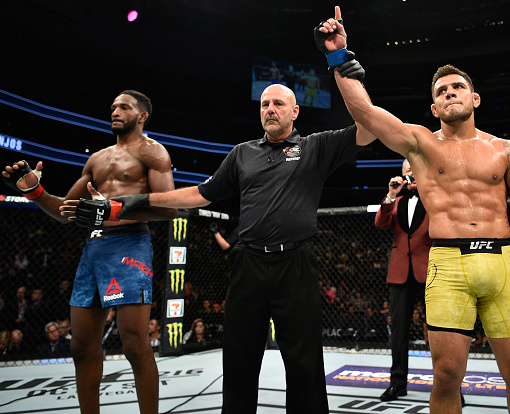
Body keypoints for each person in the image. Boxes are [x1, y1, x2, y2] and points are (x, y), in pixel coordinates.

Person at [315, 7, 510, 413]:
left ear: (474, 97)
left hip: (503, 265)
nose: (449, 93)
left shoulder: (506, 150)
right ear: (433, 108)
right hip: (446, 264)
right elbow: (366, 114)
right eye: (441, 90)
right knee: (446, 378)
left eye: (457, 87)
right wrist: (339, 57)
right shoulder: (421, 146)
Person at [86, 83, 376, 413]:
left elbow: (368, 128)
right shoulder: (243, 152)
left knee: (304, 362)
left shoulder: (315, 146)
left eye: (279, 104)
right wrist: (140, 200)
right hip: (247, 263)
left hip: (296, 263)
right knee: (239, 359)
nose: (270, 109)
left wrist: (345, 66)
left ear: (295, 112)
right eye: (265, 103)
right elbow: (202, 194)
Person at [2, 89, 177, 414]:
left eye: (124, 107)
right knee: (82, 347)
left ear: (142, 116)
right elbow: (67, 210)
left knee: (134, 344)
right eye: (112, 106)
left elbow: (168, 208)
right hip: (94, 248)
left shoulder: (154, 153)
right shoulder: (96, 159)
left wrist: (113, 210)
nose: (115, 111)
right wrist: (35, 192)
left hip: (130, 244)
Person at [374, 160, 431, 401]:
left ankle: (448, 387)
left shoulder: (433, 197)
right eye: (407, 168)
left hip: (430, 272)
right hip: (399, 273)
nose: (410, 171)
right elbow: (381, 223)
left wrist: (427, 190)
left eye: (415, 167)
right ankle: (397, 383)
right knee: (398, 331)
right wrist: (390, 195)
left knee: (440, 332)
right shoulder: (395, 201)